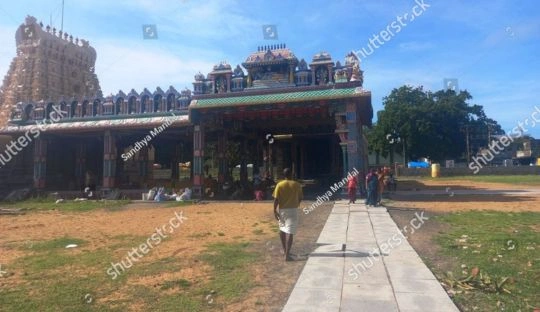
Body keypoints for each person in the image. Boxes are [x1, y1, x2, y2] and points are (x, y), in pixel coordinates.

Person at [272, 168, 303, 261]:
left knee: (282, 230)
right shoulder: (297, 185)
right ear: (291, 175)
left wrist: (274, 210)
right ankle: (287, 255)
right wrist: (296, 203)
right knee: (290, 232)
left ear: (283, 175)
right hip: (293, 210)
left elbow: (276, 199)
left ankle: (285, 251)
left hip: (283, 210)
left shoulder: (279, 185)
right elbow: (300, 198)